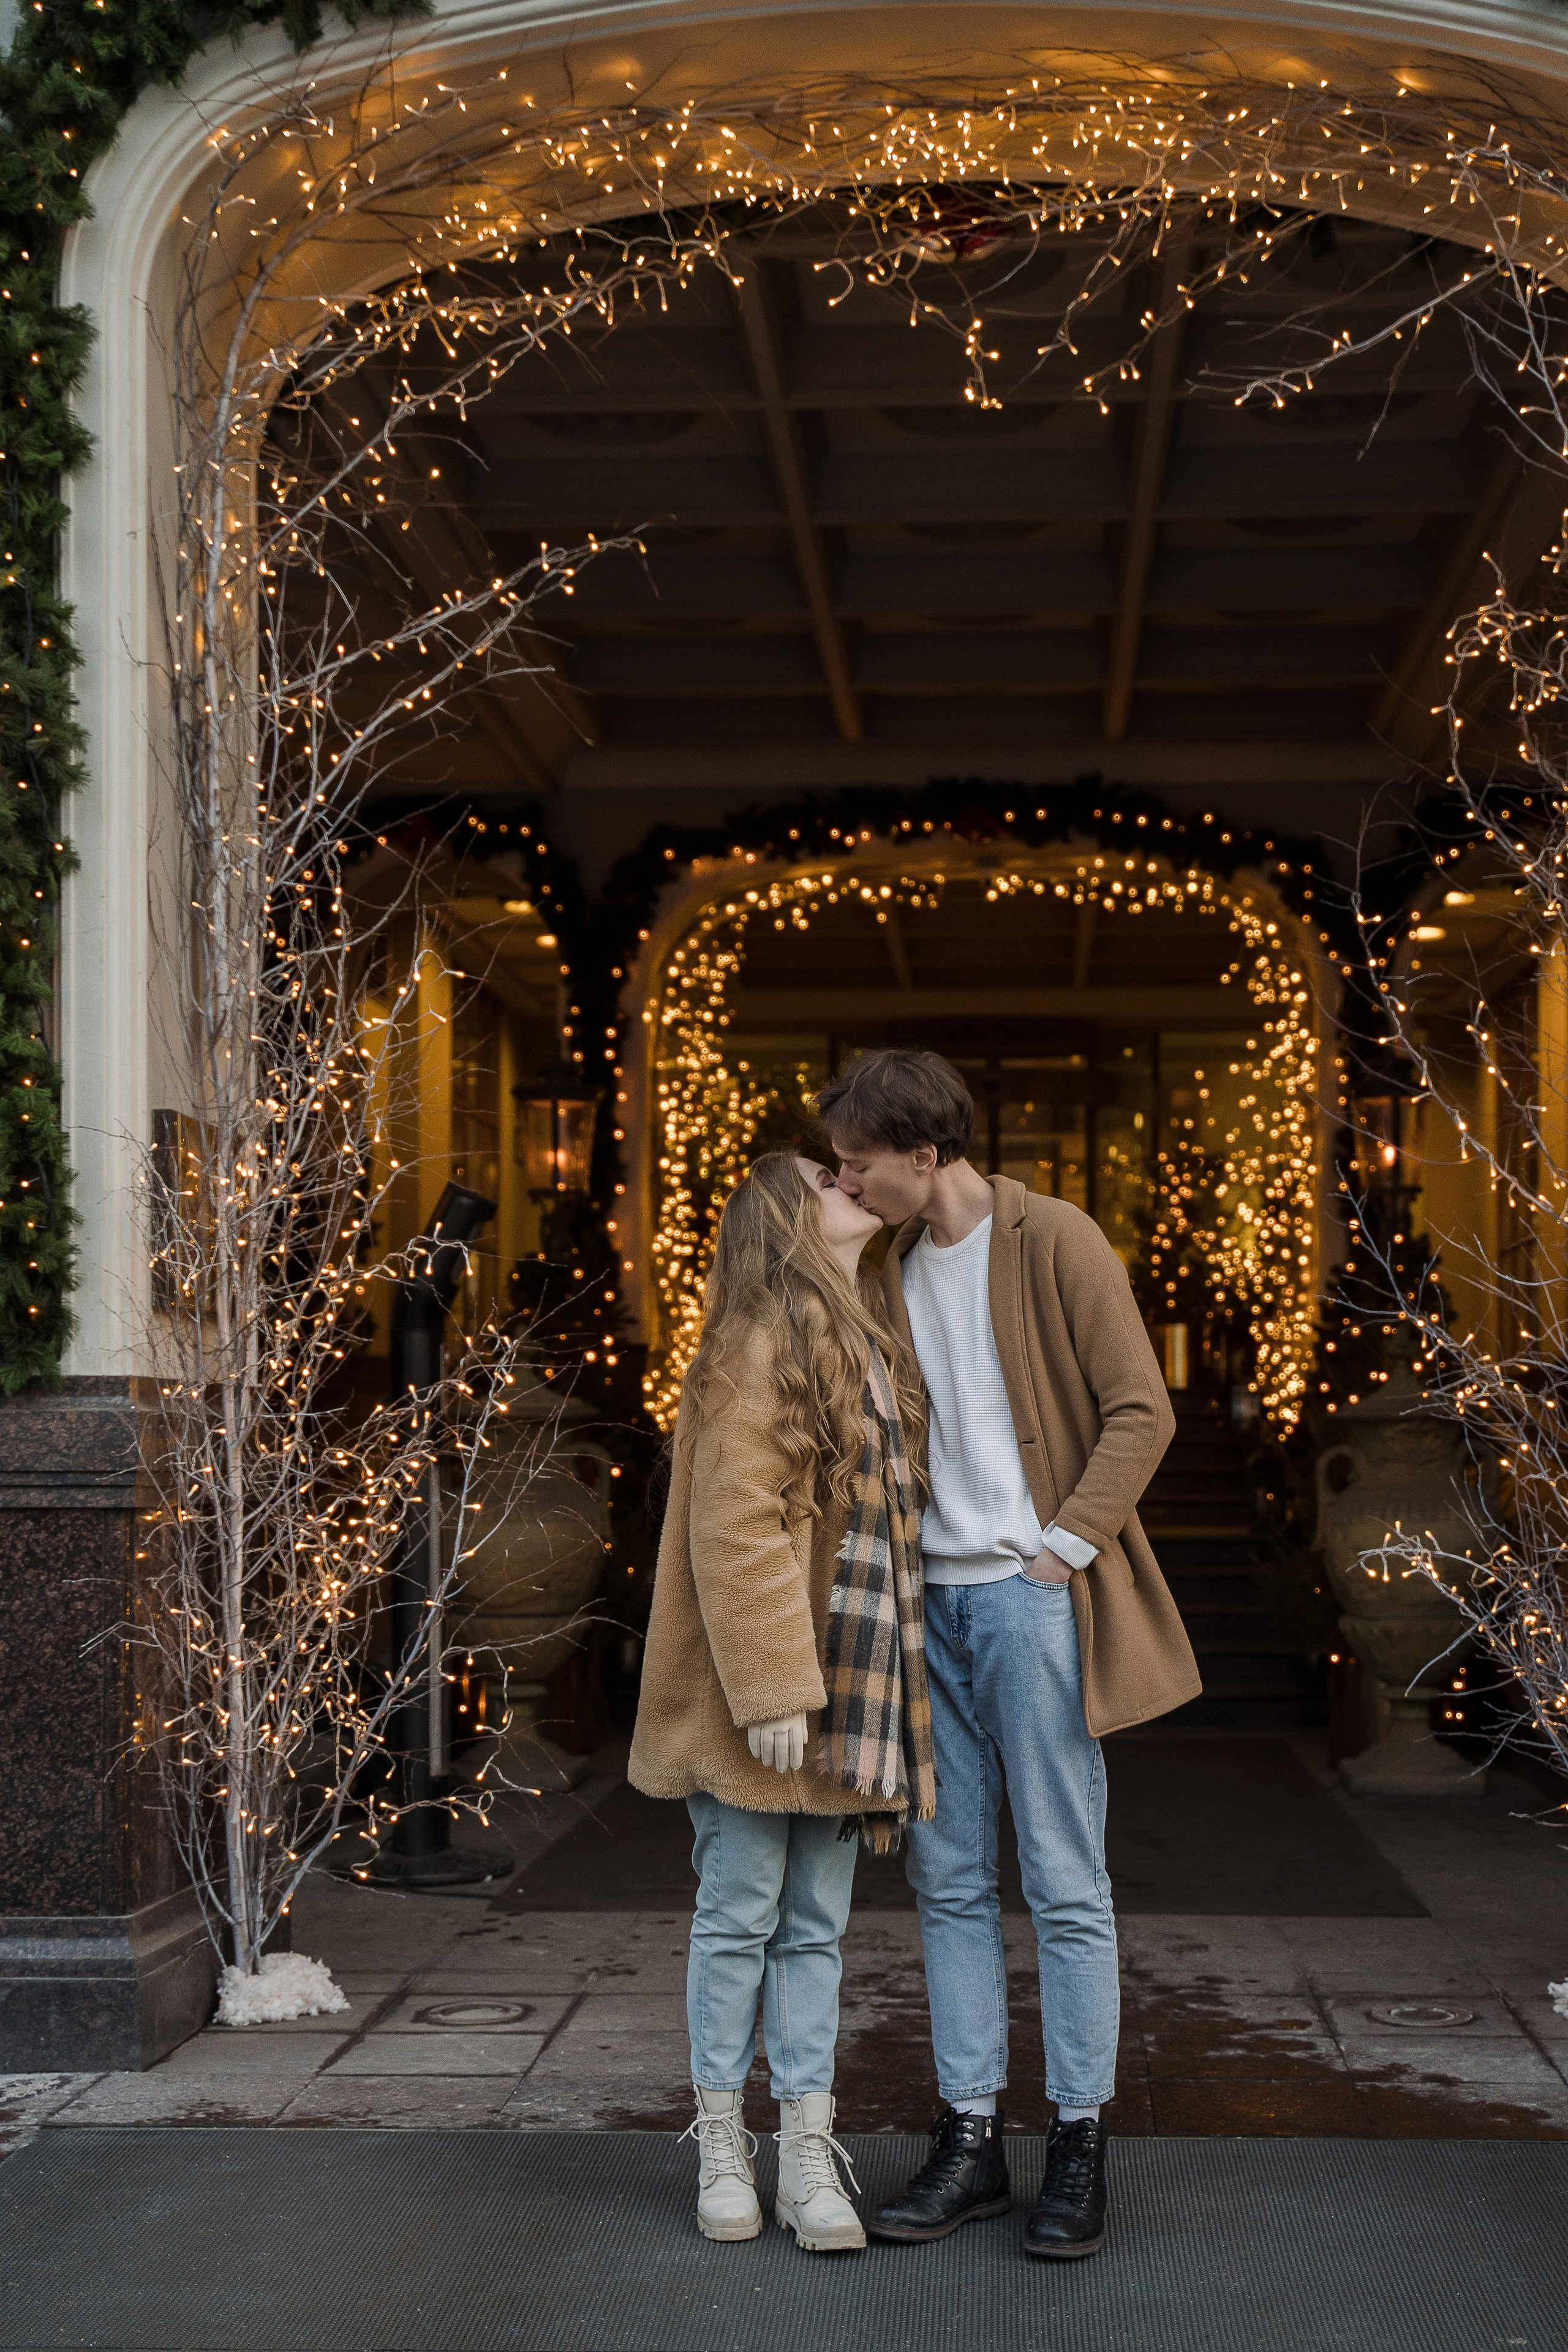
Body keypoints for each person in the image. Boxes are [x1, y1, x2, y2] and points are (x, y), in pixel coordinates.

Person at [821, 1047, 1200, 2260]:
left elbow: (1142, 1406)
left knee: (1060, 1878)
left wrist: (1060, 1549)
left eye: (858, 1163)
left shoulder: (1055, 1241)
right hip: (923, 1609)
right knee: (942, 1883)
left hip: (1031, 1602)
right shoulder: (877, 1265)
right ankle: (971, 2140)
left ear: (924, 1155)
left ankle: (1077, 2142)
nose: (846, 1180)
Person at [629, 1150, 935, 2253]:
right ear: (784, 1216)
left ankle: (807, 2150)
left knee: (814, 1932)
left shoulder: (866, 1332)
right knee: (739, 1917)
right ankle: (722, 2137)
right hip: (764, 1698)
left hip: (842, 1696)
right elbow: (735, 1522)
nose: (851, 1178)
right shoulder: (758, 1338)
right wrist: (769, 1685)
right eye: (826, 1175)